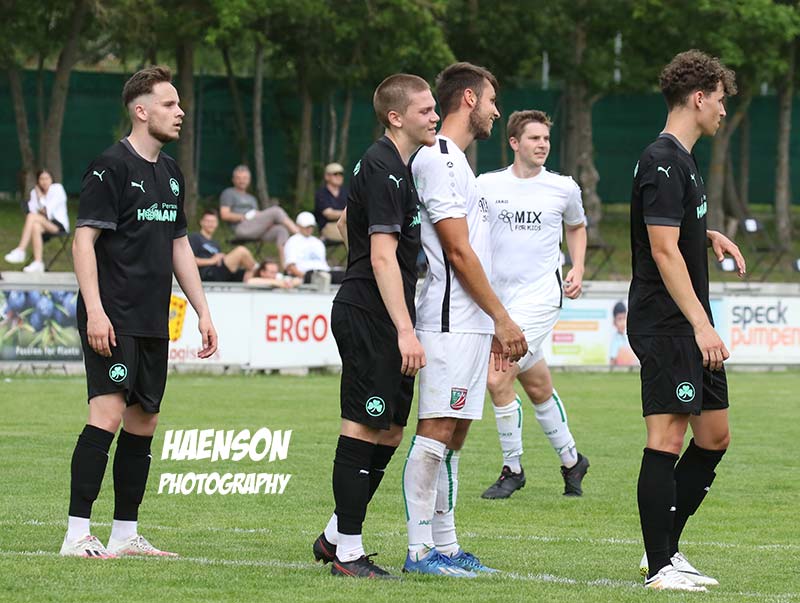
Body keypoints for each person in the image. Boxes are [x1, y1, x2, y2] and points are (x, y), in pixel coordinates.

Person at [61, 65, 218, 559]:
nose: (180, 112)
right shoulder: (109, 166)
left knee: (144, 421)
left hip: (152, 319)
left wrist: (203, 311)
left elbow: (179, 245)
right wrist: (95, 311)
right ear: (141, 111)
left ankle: (125, 534)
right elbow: (83, 241)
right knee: (107, 415)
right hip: (112, 316)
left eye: (179, 104)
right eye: (170, 104)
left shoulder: (171, 173)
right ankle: (76, 534)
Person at [401, 62, 527, 577]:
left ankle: (447, 547)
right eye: (492, 100)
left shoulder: (458, 163)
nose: (497, 111)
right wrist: (502, 317)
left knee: (453, 437)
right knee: (435, 432)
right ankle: (418, 552)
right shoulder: (438, 158)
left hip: (471, 322)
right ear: (470, 99)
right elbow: (455, 250)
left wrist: (492, 320)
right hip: (449, 320)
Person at [310, 73, 438, 579]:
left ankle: (334, 535)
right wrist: (405, 329)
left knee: (390, 431)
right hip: (372, 314)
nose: (434, 116)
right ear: (396, 117)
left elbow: (346, 223)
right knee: (364, 426)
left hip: (382, 311)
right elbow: (383, 257)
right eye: (426, 110)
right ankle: (348, 554)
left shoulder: (395, 167)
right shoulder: (384, 166)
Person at [628, 50, 745, 592]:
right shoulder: (662, 159)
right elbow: (662, 249)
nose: (723, 109)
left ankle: (666, 549)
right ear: (698, 98)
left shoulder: (684, 160)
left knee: (715, 436)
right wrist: (701, 324)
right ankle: (659, 567)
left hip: (688, 321)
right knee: (667, 436)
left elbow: (674, 231)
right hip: (669, 323)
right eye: (719, 99)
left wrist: (708, 233)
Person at [478, 110, 590, 500]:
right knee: (537, 384)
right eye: (534, 138)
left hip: (541, 298)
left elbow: (577, 226)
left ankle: (513, 469)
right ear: (514, 142)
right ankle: (573, 461)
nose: (542, 145)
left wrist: (577, 266)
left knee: (497, 379)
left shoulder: (563, 188)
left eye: (545, 138)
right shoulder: (486, 185)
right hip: (499, 301)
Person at [219, 165, 299, 265]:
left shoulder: (252, 198)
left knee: (281, 230)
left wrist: (267, 222)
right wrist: (244, 216)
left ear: (249, 180)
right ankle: (299, 235)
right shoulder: (228, 193)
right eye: (238, 178)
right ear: (233, 180)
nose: (242, 181)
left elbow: (258, 218)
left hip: (255, 229)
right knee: (276, 210)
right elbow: (224, 215)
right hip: (240, 229)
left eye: (245, 178)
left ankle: (286, 265)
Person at [5, 169, 69, 273]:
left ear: (51, 179)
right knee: (35, 226)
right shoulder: (34, 192)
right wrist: (37, 196)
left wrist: (40, 197)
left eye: (47, 178)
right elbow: (33, 210)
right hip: (42, 224)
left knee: (32, 217)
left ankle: (21, 250)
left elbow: (47, 211)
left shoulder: (57, 189)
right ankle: (38, 262)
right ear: (38, 180)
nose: (44, 181)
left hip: (58, 225)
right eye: (41, 179)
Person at [189, 208, 256, 282]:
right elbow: (189, 261)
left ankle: (256, 277)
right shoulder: (195, 237)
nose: (211, 224)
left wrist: (223, 257)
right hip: (207, 273)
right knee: (241, 251)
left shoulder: (215, 243)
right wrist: (212, 261)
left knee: (247, 272)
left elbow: (219, 261)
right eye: (208, 221)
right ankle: (258, 269)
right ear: (201, 222)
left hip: (219, 271)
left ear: (217, 224)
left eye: (213, 221)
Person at [283, 211, 333, 282]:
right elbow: (291, 267)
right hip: (306, 274)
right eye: (306, 227)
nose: (309, 229)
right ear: (299, 226)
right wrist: (306, 278)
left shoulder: (318, 242)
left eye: (311, 226)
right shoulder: (292, 241)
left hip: (323, 273)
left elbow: (323, 263)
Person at [314, 162, 347, 242]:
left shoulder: (346, 192)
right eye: (335, 174)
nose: (339, 177)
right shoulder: (321, 194)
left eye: (341, 174)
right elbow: (329, 214)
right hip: (328, 226)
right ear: (327, 176)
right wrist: (349, 214)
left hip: (346, 224)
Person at [609, 301, 637, 366]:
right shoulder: (615, 340)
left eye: (624, 318)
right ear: (614, 322)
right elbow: (612, 360)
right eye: (619, 319)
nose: (622, 323)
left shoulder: (629, 336)